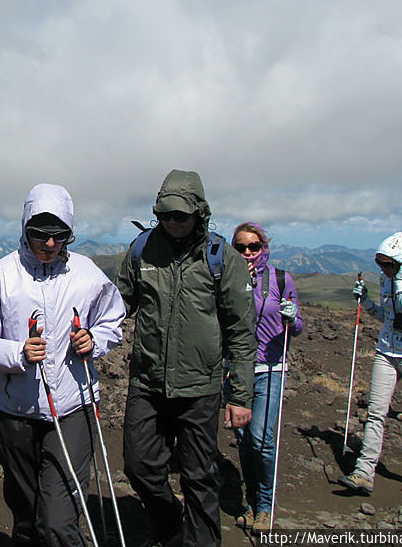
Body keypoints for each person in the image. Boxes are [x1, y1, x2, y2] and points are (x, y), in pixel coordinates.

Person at [0, 183, 125, 546]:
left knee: (57, 520)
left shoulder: (87, 274)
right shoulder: (0, 275)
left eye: (60, 235)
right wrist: (18, 353)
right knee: (26, 516)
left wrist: (94, 341)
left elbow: (113, 321)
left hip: (73, 407)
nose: (49, 243)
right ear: (25, 228)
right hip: (13, 412)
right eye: (39, 233)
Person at [115, 169, 256, 547]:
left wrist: (240, 396)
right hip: (147, 382)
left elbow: (242, 332)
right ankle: (173, 528)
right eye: (165, 215)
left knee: (199, 476)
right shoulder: (142, 249)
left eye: (180, 215)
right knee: (139, 466)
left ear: (199, 212)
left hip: (200, 388)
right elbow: (118, 306)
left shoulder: (222, 258)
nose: (172, 222)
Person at [338, 231, 402, 495]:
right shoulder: (384, 279)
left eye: (388, 264)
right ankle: (364, 472)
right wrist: (366, 301)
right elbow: (387, 317)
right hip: (387, 350)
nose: (383, 269)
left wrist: (400, 285)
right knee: (375, 412)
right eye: (380, 263)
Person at [229, 222, 303, 534]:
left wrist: (291, 316)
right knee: (244, 441)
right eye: (241, 248)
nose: (247, 253)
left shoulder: (281, 280)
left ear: (264, 247)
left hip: (271, 368)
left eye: (253, 247)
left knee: (261, 438)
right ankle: (251, 501)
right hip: (235, 370)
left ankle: (265, 505)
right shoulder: (228, 280)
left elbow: (297, 327)